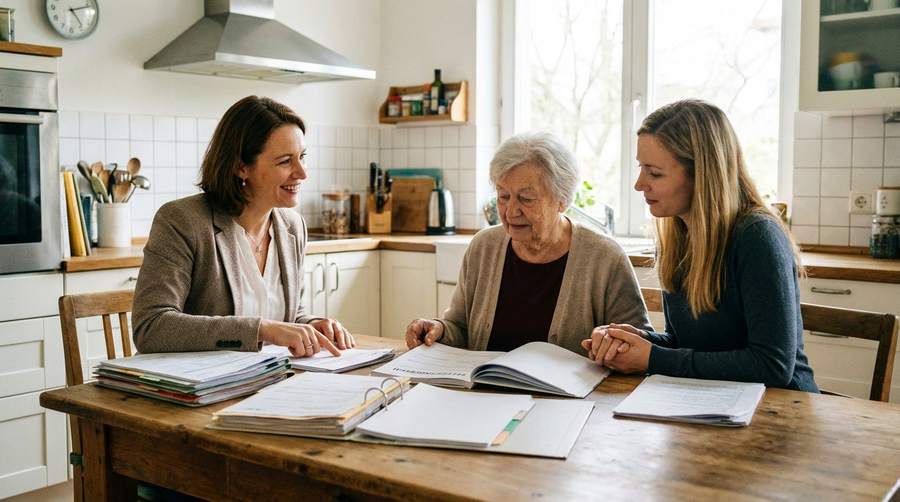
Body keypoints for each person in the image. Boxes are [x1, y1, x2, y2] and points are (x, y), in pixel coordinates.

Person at [584, 99, 818, 392]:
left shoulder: (757, 237)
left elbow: (773, 366)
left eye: (654, 173)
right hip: (712, 401)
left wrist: (653, 359)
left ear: (703, 174)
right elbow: (686, 344)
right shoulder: (675, 237)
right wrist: (639, 342)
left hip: (782, 410)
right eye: (641, 167)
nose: (639, 184)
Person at [132, 96, 355, 357]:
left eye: (302, 156)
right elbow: (151, 327)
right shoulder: (182, 221)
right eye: (285, 161)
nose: (302, 172)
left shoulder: (292, 228)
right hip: (197, 390)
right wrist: (261, 329)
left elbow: (290, 316)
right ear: (241, 167)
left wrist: (310, 325)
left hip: (268, 382)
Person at [406, 130, 652, 354]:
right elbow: (460, 327)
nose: (511, 211)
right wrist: (439, 329)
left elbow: (639, 344)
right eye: (503, 196)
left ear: (562, 199)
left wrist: (613, 345)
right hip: (486, 394)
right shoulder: (484, 247)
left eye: (526, 198)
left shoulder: (605, 257)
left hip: (566, 401)